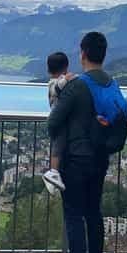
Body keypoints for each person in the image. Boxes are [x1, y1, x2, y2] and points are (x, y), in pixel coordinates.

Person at [47, 32, 113, 253]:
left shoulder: (77, 85)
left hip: (75, 158)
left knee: (74, 213)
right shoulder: (110, 82)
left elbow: (53, 123)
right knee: (94, 212)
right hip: (100, 157)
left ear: (83, 53)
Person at [43, 51, 73, 194]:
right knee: (57, 147)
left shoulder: (53, 81)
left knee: (58, 147)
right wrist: (66, 79)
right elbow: (57, 88)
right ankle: (53, 172)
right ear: (65, 68)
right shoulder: (54, 83)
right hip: (58, 121)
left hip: (57, 120)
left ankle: (55, 173)